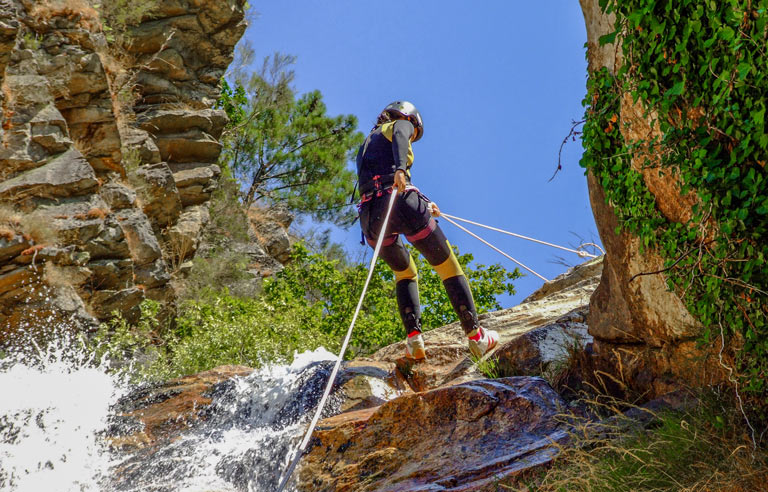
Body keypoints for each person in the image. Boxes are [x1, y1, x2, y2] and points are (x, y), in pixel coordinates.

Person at [356, 101, 499, 360]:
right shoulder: (399, 125)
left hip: (371, 220)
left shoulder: (365, 145)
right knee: (448, 266)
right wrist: (401, 169)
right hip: (400, 202)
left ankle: (414, 339)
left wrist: (424, 200)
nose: (411, 133)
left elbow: (379, 179)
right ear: (407, 117)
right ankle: (477, 337)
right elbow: (400, 139)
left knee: (406, 273)